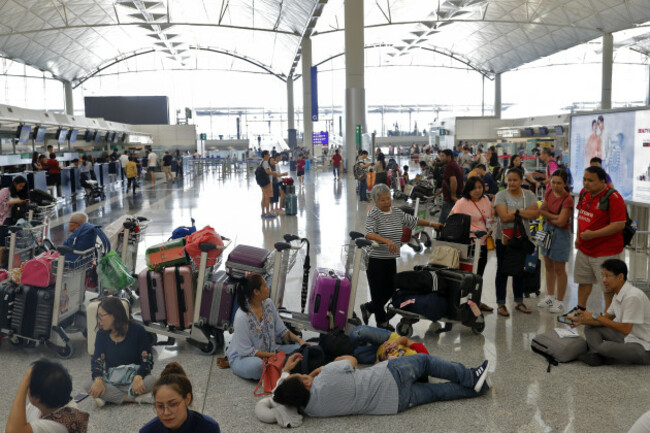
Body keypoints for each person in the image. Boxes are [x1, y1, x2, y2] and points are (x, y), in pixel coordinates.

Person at [273, 354, 491, 417]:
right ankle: (471, 377)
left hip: (394, 404)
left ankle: (481, 387)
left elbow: (278, 396)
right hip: (390, 375)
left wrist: (288, 375)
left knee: (436, 393)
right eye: (300, 376)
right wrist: (317, 370)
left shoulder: (310, 411)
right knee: (425, 362)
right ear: (307, 383)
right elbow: (351, 360)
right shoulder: (327, 375)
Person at [360, 184, 441, 330]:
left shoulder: (396, 212)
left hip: (390, 258)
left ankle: (368, 307)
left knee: (391, 288)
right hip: (374, 258)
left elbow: (414, 221)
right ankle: (382, 322)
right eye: (383, 200)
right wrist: (387, 241)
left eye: (388, 199)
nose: (387, 202)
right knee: (377, 292)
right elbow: (369, 234)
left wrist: (433, 224)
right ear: (376, 201)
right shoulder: (373, 214)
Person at [569, 260, 650, 366]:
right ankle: (599, 355)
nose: (603, 280)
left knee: (606, 346)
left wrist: (595, 316)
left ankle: (599, 354)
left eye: (607, 276)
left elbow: (625, 329)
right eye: (603, 276)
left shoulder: (633, 297)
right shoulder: (618, 294)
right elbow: (606, 319)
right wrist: (582, 320)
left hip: (644, 347)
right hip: (629, 337)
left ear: (620, 277)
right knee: (590, 327)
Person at [570, 166, 626, 315]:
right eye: (584, 179)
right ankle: (580, 309)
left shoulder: (614, 198)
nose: (586, 183)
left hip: (605, 251)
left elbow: (619, 224)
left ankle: (608, 315)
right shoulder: (584, 193)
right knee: (584, 280)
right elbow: (581, 215)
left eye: (590, 180)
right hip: (584, 249)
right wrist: (577, 237)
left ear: (602, 181)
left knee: (607, 287)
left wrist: (593, 234)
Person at [226, 273, 304, 380]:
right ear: (256, 292)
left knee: (301, 350)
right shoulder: (241, 317)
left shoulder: (268, 304)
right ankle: (279, 369)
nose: (268, 288)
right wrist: (273, 356)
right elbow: (246, 351)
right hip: (244, 358)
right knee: (258, 366)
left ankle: (277, 368)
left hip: (271, 351)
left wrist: (300, 341)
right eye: (265, 286)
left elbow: (282, 331)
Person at [85, 297, 155, 407]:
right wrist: (98, 379)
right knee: (89, 384)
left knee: (152, 380)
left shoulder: (138, 330)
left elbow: (148, 360)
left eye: (101, 316)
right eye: (98, 317)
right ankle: (136, 399)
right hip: (113, 380)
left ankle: (108, 397)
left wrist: (139, 376)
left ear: (114, 315)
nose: (99, 320)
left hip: (134, 378)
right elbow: (96, 361)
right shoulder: (101, 335)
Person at [493, 167, 540, 317]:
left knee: (520, 269)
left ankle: (519, 301)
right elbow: (504, 217)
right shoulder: (501, 195)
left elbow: (535, 214)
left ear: (521, 180)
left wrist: (516, 211)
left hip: (523, 238)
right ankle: (501, 303)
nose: (512, 183)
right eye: (509, 180)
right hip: (504, 239)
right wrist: (523, 213)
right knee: (502, 270)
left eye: (515, 180)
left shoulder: (529, 194)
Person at [449, 177, 494, 312]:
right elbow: (451, 220)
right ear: (468, 189)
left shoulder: (485, 199)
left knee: (479, 274)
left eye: (480, 187)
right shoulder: (462, 203)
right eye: (474, 188)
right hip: (469, 244)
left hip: (484, 242)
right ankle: (459, 302)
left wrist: (490, 228)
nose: (477, 191)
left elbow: (490, 216)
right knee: (466, 275)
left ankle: (476, 301)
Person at [6, 360, 89, 433]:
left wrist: (26, 379)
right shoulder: (52, 397)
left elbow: (12, 431)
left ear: (37, 398)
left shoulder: (58, 424)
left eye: (28, 386)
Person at [140, 362, 220, 433]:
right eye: (160, 406)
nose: (166, 413)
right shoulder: (148, 431)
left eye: (173, 404)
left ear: (187, 399)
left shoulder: (208, 428)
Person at [537, 170, 574, 314]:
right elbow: (542, 211)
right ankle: (550, 296)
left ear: (565, 183)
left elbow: (561, 222)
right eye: (553, 182)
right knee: (547, 265)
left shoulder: (568, 200)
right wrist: (553, 216)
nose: (555, 185)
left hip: (561, 234)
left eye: (559, 183)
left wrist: (548, 215)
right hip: (546, 230)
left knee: (559, 268)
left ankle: (560, 301)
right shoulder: (548, 193)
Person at [349, 325, 430, 365]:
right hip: (388, 338)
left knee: (350, 356)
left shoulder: (406, 374)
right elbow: (406, 340)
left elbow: (375, 370)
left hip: (376, 355)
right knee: (358, 333)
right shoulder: (424, 354)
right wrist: (396, 342)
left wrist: (381, 358)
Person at [438, 149, 463, 224]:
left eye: (442, 156)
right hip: (452, 197)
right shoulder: (454, 164)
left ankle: (443, 234)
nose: (440, 158)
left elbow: (453, 180)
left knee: (444, 222)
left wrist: (453, 195)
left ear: (449, 156)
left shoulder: (450, 166)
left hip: (450, 199)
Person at [259, 151, 277, 219]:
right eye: (268, 154)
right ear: (265, 155)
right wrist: (273, 173)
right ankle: (267, 213)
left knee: (263, 197)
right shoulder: (266, 162)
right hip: (267, 182)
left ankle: (263, 212)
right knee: (267, 197)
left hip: (262, 182)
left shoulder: (261, 162)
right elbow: (267, 172)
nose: (269, 155)